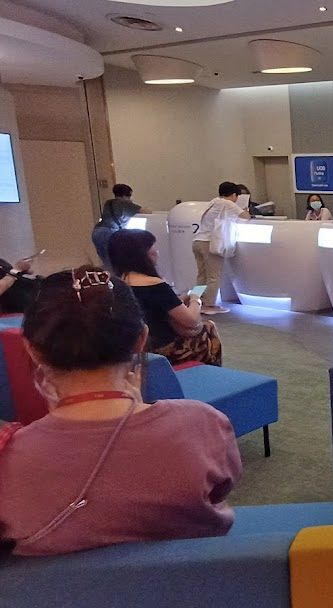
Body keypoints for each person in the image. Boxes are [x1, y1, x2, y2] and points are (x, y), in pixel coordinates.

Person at [0, 266, 241, 556]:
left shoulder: (9, 456)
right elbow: (221, 491)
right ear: (141, 340)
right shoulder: (203, 423)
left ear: (31, 349)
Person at [109, 229, 222, 366]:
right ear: (141, 254)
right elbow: (191, 321)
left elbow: (153, 308)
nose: (156, 251)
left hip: (136, 348)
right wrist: (195, 299)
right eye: (151, 246)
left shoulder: (118, 283)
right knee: (209, 327)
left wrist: (179, 299)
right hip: (166, 349)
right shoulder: (155, 284)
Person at [192, 182, 249, 315]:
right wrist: (245, 209)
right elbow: (245, 217)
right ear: (234, 195)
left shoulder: (213, 202)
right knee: (213, 276)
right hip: (210, 243)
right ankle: (209, 304)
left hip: (198, 240)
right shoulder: (228, 204)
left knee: (202, 275)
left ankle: (195, 301)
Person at [91, 184, 142, 272]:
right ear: (128, 194)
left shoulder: (109, 202)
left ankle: (111, 282)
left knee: (107, 263)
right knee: (115, 264)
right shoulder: (125, 203)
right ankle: (118, 283)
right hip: (108, 233)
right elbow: (145, 211)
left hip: (97, 232)